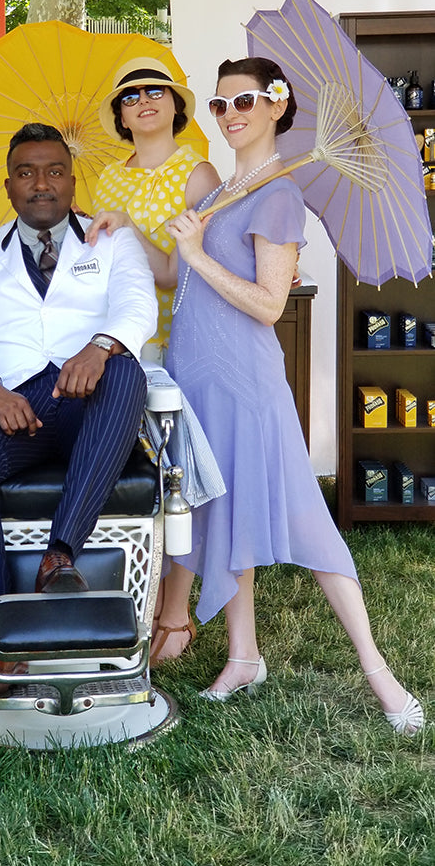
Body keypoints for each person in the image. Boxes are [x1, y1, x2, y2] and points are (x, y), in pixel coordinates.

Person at [161, 56, 423, 734]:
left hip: (246, 386)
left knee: (308, 523)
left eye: (243, 100)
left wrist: (196, 256)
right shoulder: (223, 186)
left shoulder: (278, 194)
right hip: (202, 381)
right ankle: (243, 655)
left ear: (277, 106)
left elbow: (270, 303)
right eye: (219, 105)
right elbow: (181, 275)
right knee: (231, 511)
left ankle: (380, 674)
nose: (229, 115)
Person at [0, 122, 158, 701]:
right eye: (26, 173)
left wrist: (100, 346)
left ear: (71, 180)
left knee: (126, 367)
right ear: (9, 187)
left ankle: (60, 555)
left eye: (54, 171)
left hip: (92, 407)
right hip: (17, 408)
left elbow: (138, 308)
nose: (41, 184)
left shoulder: (112, 241)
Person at [92, 55, 222, 667]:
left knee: (178, 477)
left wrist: (131, 232)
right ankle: (131, 600)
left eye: (155, 92)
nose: (143, 101)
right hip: (124, 346)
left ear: (176, 105)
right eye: (130, 96)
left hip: (177, 343)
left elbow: (175, 273)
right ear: (119, 115)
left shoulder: (197, 175)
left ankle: (176, 612)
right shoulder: (104, 181)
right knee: (133, 477)